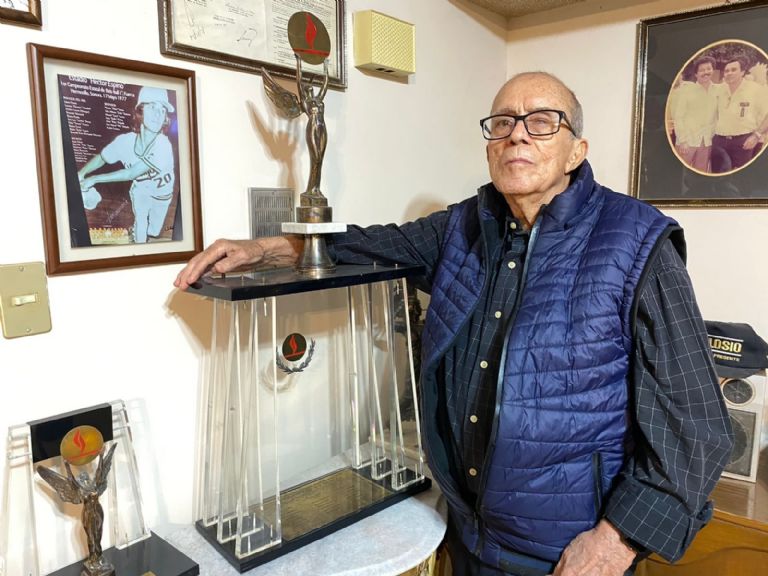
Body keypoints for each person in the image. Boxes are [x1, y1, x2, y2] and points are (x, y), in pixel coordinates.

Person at [175, 72, 733, 576]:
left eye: (541, 121)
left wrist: (617, 542)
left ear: (576, 152)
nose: (518, 134)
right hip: (467, 538)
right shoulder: (465, 225)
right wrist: (266, 248)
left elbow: (697, 427)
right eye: (503, 123)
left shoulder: (636, 242)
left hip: (569, 557)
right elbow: (375, 244)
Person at [78, 86, 176, 243]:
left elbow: (131, 173)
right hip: (140, 190)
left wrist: (94, 179)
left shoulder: (163, 145)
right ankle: (139, 245)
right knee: (141, 224)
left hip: (162, 194)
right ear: (140, 111)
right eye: (152, 107)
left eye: (163, 110)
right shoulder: (125, 141)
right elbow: (102, 158)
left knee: (155, 230)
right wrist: (81, 173)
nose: (158, 114)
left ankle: (144, 231)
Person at [712, 56, 768, 172]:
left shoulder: (755, 90)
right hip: (719, 141)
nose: (729, 73)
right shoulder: (719, 90)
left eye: (733, 70)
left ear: (742, 72)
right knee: (717, 178)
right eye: (726, 71)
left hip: (743, 142)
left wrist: (756, 136)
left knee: (741, 180)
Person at [669, 56, 722, 172]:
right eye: (702, 70)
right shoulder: (687, 91)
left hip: (706, 141)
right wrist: (682, 140)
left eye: (708, 69)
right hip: (687, 140)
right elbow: (679, 116)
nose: (706, 72)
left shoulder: (718, 90)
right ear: (696, 74)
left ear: (712, 70)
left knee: (701, 173)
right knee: (682, 173)